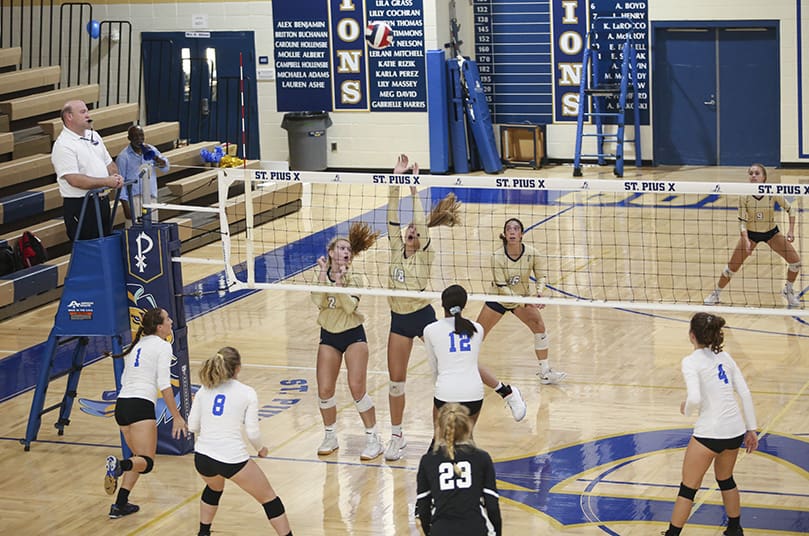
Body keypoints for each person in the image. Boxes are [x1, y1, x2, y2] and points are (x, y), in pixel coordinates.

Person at [384, 153, 477, 461]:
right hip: (399, 320)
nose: (410, 231)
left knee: (448, 372)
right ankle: (396, 436)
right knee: (396, 382)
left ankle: (456, 431)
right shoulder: (396, 248)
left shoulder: (426, 251)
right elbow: (391, 217)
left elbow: (419, 223)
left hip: (423, 318)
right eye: (408, 229)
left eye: (416, 229)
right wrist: (396, 180)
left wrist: (414, 188)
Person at [663, 312, 758, 536]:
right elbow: (745, 393)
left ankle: (672, 534)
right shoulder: (725, 357)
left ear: (691, 335)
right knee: (726, 479)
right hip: (734, 431)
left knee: (688, 489)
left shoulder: (690, 361)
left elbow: (695, 398)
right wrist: (751, 429)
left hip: (710, 433)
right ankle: (734, 529)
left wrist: (686, 408)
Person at [188, 347, 293, 536]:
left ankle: (203, 533)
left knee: (214, 488)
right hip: (232, 458)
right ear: (238, 368)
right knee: (269, 498)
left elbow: (192, 426)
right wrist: (261, 449)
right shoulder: (247, 392)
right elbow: (252, 432)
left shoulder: (205, 389)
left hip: (203, 458)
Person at [104, 307, 187, 519]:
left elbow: (124, 379)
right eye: (167, 319)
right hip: (140, 406)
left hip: (122, 405)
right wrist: (177, 416)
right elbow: (164, 385)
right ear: (159, 327)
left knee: (138, 459)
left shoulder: (138, 345)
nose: (171, 322)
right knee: (146, 463)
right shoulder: (163, 346)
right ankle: (119, 465)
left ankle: (120, 505)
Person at [312, 221, 385, 461]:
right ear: (331, 252)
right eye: (342, 248)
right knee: (325, 389)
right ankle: (330, 436)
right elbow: (318, 301)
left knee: (357, 388)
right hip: (329, 336)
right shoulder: (321, 274)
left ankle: (373, 438)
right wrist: (323, 275)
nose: (346, 252)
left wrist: (340, 285)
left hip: (353, 335)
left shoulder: (356, 277)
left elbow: (350, 306)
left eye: (349, 250)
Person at [477, 217, 566, 385]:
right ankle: (463, 365)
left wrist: (539, 292)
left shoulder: (532, 253)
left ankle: (545, 371)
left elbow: (541, 276)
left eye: (516, 229)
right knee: (477, 334)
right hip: (499, 299)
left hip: (522, 298)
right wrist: (524, 302)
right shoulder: (497, 257)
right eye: (508, 229)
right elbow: (502, 287)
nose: (512, 231)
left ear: (521, 234)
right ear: (505, 234)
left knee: (539, 326)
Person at [704, 163, 801, 307]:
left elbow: (790, 209)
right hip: (750, 234)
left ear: (764, 177)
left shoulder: (772, 191)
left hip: (771, 233)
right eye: (751, 174)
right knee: (732, 267)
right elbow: (742, 222)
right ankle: (716, 294)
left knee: (795, 262)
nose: (753, 176)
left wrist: (791, 230)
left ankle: (788, 290)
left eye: (757, 173)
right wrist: (746, 240)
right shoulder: (744, 195)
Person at [416, 403, 502, 536]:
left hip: (441, 530)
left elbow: (423, 507)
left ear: (439, 428)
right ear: (468, 427)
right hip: (475, 529)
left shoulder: (428, 460)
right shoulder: (482, 458)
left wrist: (429, 532)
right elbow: (492, 505)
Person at [51, 100, 124, 241]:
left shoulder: (93, 135)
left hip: (102, 200)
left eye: (87, 111)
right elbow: (74, 180)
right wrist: (107, 181)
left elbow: (109, 163)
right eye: (83, 112)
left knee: (105, 243)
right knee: (89, 246)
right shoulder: (63, 145)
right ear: (69, 116)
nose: (88, 115)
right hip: (81, 205)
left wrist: (116, 176)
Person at [423, 285, 487, 432]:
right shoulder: (478, 328)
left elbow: (434, 368)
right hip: (474, 394)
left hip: (446, 394)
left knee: (440, 440)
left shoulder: (430, 330)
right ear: (464, 305)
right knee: (465, 439)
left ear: (442, 304)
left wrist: (440, 387)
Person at [116, 125, 170, 226]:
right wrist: (126, 207)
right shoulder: (123, 157)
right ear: (129, 138)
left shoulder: (151, 149)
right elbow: (120, 184)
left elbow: (166, 167)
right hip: (134, 199)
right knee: (135, 231)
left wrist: (154, 157)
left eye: (141, 135)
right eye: (135, 136)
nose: (139, 139)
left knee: (153, 230)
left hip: (151, 198)